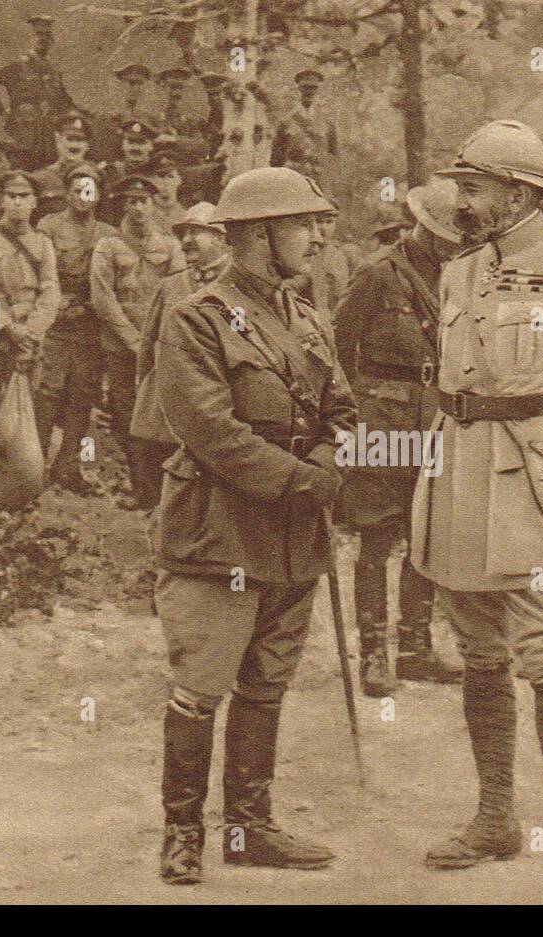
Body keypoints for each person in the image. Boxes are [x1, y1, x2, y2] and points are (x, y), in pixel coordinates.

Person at [412, 120, 543, 900]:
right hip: (461, 472)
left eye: (471, 188)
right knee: (477, 651)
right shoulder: (460, 271)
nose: (459, 201)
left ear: (518, 193)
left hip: (535, 481)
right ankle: (495, 814)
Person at [149, 166, 356, 886]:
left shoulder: (308, 319)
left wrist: (331, 460)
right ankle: (182, 833)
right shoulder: (196, 317)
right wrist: (305, 480)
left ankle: (248, 827)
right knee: (202, 685)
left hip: (295, 540)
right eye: (306, 225)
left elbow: (344, 413)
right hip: (220, 534)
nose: (319, 239)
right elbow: (208, 429)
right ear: (262, 235)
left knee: (267, 684)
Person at [332, 179, 464, 695]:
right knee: (377, 536)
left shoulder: (457, 276)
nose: (456, 244)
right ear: (423, 231)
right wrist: (343, 417)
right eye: (446, 235)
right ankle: (373, 654)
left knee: (427, 534)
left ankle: (415, 648)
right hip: (381, 419)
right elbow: (337, 345)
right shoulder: (378, 272)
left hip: (435, 417)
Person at [0, 170, 60, 509]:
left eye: (25, 196)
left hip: (28, 340)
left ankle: (15, 481)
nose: (18, 202)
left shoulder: (43, 244)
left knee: (23, 409)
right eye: (12, 195)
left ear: (35, 202)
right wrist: (5, 325)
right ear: (2, 200)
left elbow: (50, 291)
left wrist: (32, 330)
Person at [89, 173, 184, 509]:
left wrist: (162, 342)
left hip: (161, 350)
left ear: (154, 203)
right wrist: (132, 340)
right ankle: (141, 490)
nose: (138, 208)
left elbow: (179, 295)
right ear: (123, 205)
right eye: (132, 201)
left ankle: (164, 492)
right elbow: (103, 299)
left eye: (144, 200)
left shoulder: (170, 246)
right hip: (121, 346)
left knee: (161, 417)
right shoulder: (108, 246)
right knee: (127, 415)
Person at [129, 200, 230, 502]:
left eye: (195, 233)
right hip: (162, 399)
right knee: (151, 463)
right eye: (183, 234)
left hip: (212, 400)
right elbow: (148, 342)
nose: (185, 241)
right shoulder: (171, 285)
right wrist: (144, 386)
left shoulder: (237, 285)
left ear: (221, 238)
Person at [35, 162, 117, 494]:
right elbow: (40, 270)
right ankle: (35, 463)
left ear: (98, 196)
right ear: (67, 193)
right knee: (47, 392)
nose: (82, 197)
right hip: (55, 321)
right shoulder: (48, 226)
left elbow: (111, 283)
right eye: (76, 190)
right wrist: (56, 303)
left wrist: (87, 306)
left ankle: (69, 466)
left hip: (90, 325)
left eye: (89, 190)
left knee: (83, 395)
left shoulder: (108, 235)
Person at [0, 15, 73, 171]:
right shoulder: (16, 66)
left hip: (48, 134)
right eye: (38, 34)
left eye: (47, 35)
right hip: (22, 133)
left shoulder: (54, 69)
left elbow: (64, 100)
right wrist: (0, 111)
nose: (43, 39)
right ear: (29, 37)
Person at [269, 69, 336, 188]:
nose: (309, 91)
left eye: (313, 88)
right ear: (299, 88)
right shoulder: (286, 121)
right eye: (306, 87)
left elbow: (332, 154)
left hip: (319, 179)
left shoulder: (328, 121)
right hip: (293, 177)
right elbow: (276, 158)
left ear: (318, 89)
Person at [31, 111, 94, 222]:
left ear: (87, 145)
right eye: (69, 139)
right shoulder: (39, 178)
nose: (74, 145)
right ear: (57, 139)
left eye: (79, 140)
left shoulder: (95, 178)